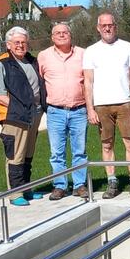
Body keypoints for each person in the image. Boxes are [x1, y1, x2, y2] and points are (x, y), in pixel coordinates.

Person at [83, 12, 130, 199]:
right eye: (104, 25)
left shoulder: (127, 47)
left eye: (110, 25)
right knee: (107, 144)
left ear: (115, 26)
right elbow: (88, 82)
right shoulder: (91, 51)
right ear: (98, 28)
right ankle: (112, 181)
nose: (107, 28)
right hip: (102, 105)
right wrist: (90, 109)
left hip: (124, 103)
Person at [0, 26, 47, 205]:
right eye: (16, 42)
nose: (20, 45)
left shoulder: (31, 61)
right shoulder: (2, 63)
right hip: (15, 117)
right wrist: (18, 108)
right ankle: (15, 194)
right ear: (8, 44)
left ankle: (26, 189)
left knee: (28, 155)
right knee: (15, 155)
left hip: (33, 115)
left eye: (23, 42)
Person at [37, 21, 89, 200]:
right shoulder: (43, 56)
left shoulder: (82, 54)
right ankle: (60, 186)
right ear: (52, 37)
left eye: (65, 32)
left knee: (79, 151)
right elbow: (40, 81)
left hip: (79, 110)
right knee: (57, 153)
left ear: (70, 35)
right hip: (55, 111)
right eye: (57, 33)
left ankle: (79, 185)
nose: (61, 35)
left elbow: (89, 80)